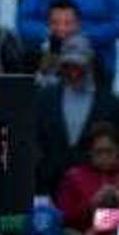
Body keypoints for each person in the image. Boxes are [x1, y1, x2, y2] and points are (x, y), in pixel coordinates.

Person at [35, 35, 119, 194]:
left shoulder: (110, 103)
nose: (73, 72)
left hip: (99, 190)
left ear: (90, 64)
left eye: (79, 66)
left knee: (105, 218)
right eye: (68, 66)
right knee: (48, 219)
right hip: (50, 188)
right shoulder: (45, 99)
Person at [55, 121, 119, 233]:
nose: (104, 157)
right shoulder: (73, 177)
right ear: (90, 152)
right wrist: (91, 203)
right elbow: (63, 217)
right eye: (99, 152)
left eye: (109, 151)